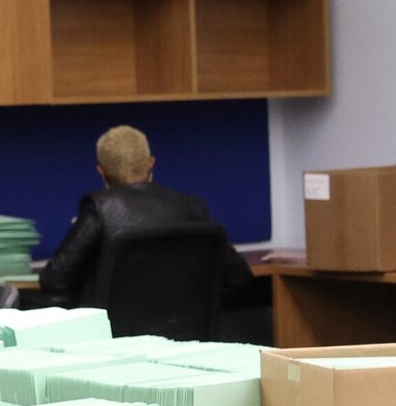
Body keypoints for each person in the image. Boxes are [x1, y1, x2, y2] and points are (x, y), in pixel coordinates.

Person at [38, 124, 253, 310]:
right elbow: (240, 278)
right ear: (151, 163)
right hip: (185, 341)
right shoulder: (192, 208)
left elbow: (54, 279)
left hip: (113, 346)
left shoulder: (99, 209)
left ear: (101, 171)